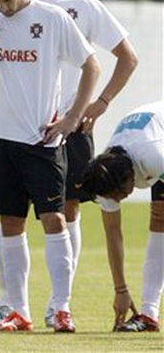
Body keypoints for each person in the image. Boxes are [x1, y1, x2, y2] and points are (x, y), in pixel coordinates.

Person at [0, 0, 139, 328]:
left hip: (69, 121)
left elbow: (124, 59)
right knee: (12, 215)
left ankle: (58, 302)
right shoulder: (5, 8)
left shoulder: (80, 6)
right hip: (21, 125)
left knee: (66, 209)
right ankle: (12, 302)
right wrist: (2, 97)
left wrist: (97, 105)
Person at [0, 0, 100, 332]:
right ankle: (19, 310)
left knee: (54, 219)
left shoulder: (52, 19)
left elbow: (92, 66)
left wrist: (71, 118)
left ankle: (61, 306)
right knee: (10, 223)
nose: (3, 7)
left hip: (41, 139)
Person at [81, 101, 164, 332]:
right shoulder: (105, 176)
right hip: (153, 135)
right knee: (160, 219)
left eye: (119, 193)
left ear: (130, 176)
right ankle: (148, 316)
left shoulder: (154, 158)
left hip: (157, 140)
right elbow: (113, 233)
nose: (118, 199)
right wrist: (121, 290)